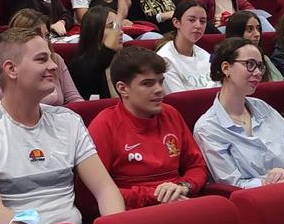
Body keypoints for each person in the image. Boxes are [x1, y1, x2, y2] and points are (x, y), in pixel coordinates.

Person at [0, 28, 125, 224]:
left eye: (51, 58)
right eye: (42, 59)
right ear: (11, 70)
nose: (54, 66)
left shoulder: (68, 120)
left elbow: (106, 190)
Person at [194, 38, 284, 187]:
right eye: (250, 65)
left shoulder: (262, 107)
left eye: (260, 66)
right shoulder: (208, 128)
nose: (258, 72)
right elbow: (233, 184)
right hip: (256, 202)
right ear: (226, 68)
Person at [88, 47, 208, 206]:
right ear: (123, 88)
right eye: (147, 84)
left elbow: (197, 166)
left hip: (180, 202)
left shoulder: (171, 114)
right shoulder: (104, 125)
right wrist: (156, 195)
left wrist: (183, 186)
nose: (159, 90)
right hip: (134, 213)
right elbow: (97, 192)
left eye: (161, 81)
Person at [0, 10, 81, 105]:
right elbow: (4, 96)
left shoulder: (55, 59)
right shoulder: (3, 61)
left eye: (47, 35)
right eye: (37, 36)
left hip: (53, 118)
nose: (44, 41)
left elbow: (74, 99)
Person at [68, 0, 129, 100]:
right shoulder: (80, 67)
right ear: (94, 32)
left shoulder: (126, 61)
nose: (120, 32)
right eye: (111, 27)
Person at [156, 0, 218, 94]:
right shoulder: (164, 59)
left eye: (202, 21)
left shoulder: (205, 55)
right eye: (191, 20)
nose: (198, 26)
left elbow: (221, 88)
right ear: (176, 22)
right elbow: (180, 99)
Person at [224, 10, 283, 80]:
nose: (257, 34)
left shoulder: (264, 59)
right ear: (236, 33)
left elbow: (279, 84)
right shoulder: (227, 63)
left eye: (258, 29)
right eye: (250, 29)